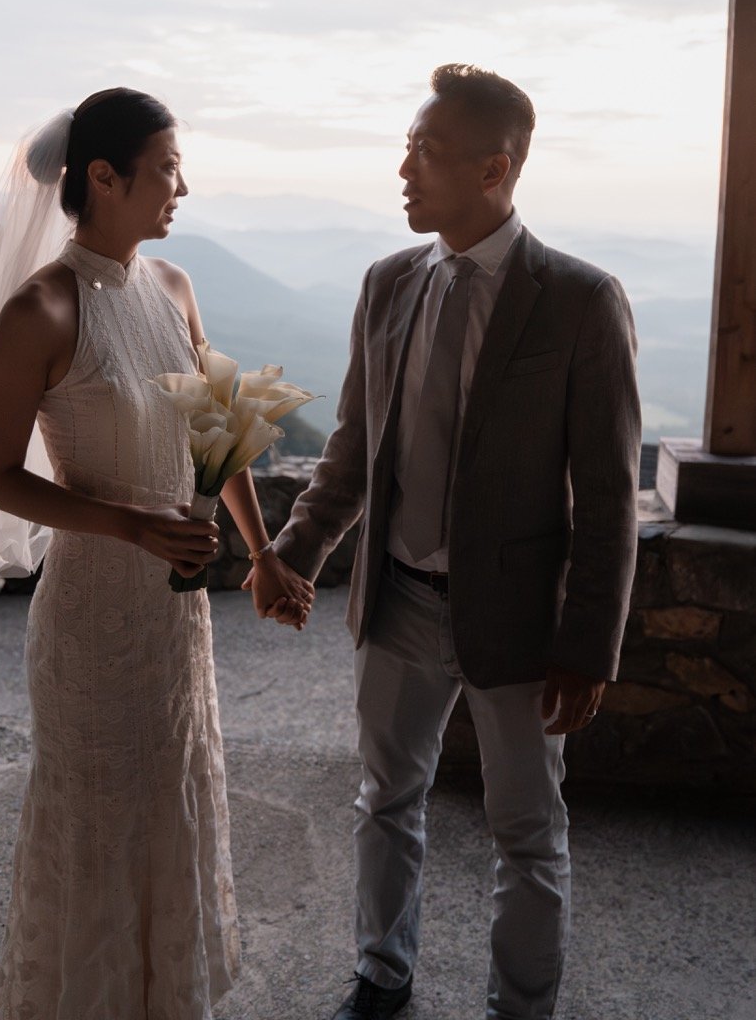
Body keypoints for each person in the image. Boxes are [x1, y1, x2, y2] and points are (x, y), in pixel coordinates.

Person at [245, 64, 641, 1020]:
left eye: (424, 150)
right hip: (397, 602)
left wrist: (589, 645)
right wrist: (296, 554)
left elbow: (610, 490)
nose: (403, 170)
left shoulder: (581, 301)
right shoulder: (387, 284)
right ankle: (381, 976)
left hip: (518, 621)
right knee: (385, 799)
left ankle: (522, 1006)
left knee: (528, 832)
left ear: (495, 168)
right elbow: (352, 449)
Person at [0, 87, 313, 1020]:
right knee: (100, 821)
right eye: (168, 169)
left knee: (170, 799)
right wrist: (135, 527)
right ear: (103, 178)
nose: (182, 186)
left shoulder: (174, 288)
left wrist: (262, 555)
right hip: (93, 617)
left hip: (173, 619)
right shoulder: (42, 309)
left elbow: (217, 434)